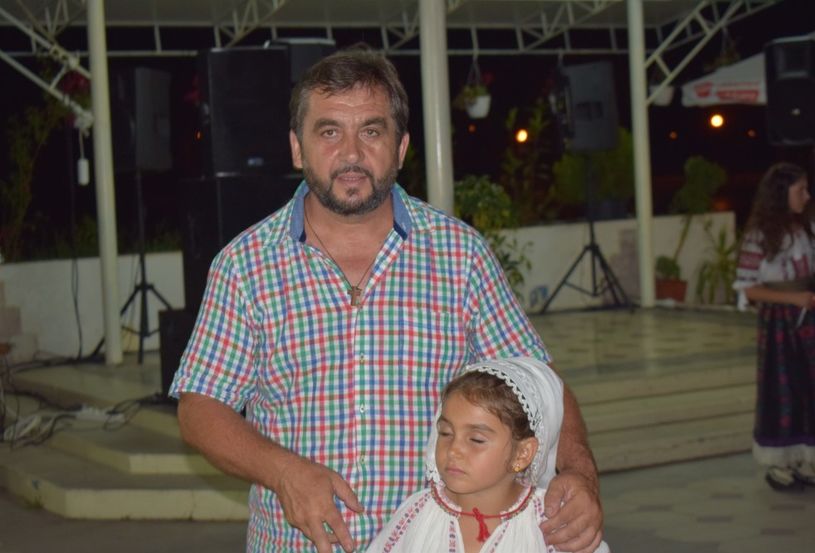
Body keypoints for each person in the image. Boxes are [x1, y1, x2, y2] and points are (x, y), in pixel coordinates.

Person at [170, 45, 602, 552]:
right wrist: (283, 471)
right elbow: (200, 408)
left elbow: (540, 384)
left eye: (371, 131)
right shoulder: (246, 265)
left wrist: (580, 473)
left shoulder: (459, 255)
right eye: (329, 132)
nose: (351, 153)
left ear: (400, 148)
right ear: (297, 148)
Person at [366, 357, 610, 553]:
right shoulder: (417, 514)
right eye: (446, 433)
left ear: (523, 453)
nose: (454, 449)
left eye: (476, 439)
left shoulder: (553, 524)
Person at [733, 162, 815, 491]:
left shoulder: (812, 227)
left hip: (810, 319)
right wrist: (793, 298)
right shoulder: (760, 236)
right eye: (800, 190)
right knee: (783, 388)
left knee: (813, 386)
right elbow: (748, 288)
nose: (807, 195)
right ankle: (780, 463)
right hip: (779, 323)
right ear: (781, 193)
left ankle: (806, 457)